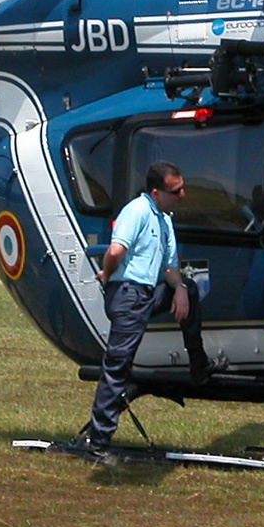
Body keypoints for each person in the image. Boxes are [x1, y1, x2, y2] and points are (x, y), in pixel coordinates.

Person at [77, 160, 220, 459]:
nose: (182, 195)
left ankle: (198, 366)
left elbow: (169, 267)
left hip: (146, 293)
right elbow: (116, 250)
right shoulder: (138, 211)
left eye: (183, 189)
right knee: (118, 368)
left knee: (190, 289)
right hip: (128, 296)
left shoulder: (165, 219)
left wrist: (179, 289)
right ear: (156, 192)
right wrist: (106, 275)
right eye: (176, 191)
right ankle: (99, 444)